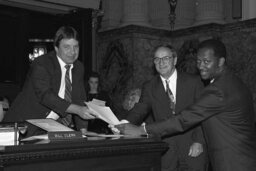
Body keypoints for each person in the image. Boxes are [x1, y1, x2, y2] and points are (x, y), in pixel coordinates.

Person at [115, 39, 256, 171]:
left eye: (206, 61)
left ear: (220, 62)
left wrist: (142, 130)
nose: (201, 66)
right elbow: (141, 109)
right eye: (199, 61)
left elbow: (185, 118)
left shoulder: (217, 89)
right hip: (233, 158)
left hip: (233, 162)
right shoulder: (231, 81)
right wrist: (123, 124)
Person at [118, 45, 208, 171]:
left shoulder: (194, 82)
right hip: (166, 149)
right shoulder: (150, 86)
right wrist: (124, 124)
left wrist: (199, 141)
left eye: (165, 58)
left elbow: (203, 115)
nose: (161, 63)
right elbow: (140, 109)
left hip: (192, 147)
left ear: (175, 60)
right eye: (157, 59)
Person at [4, 26, 96, 136]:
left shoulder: (79, 67)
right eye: (67, 47)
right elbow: (45, 96)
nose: (72, 52)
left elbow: (79, 99)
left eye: (76, 47)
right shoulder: (41, 63)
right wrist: (77, 110)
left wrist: (83, 131)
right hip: (24, 125)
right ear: (56, 48)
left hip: (52, 127)